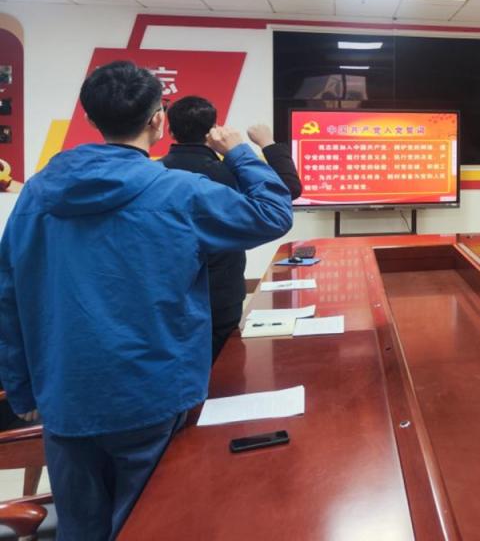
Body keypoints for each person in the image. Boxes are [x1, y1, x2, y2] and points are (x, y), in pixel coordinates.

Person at [0, 61, 293, 539]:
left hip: (66, 393)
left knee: (80, 526)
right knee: (151, 524)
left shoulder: (36, 193)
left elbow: (8, 293)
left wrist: (22, 388)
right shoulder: (179, 191)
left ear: (91, 119)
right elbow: (273, 212)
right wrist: (240, 150)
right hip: (152, 393)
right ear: (158, 120)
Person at [161, 96, 302, 360]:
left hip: (168, 295)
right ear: (214, 130)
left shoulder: (155, 173)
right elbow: (287, 190)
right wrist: (266, 144)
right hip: (222, 295)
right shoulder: (232, 172)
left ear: (169, 130)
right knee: (224, 367)